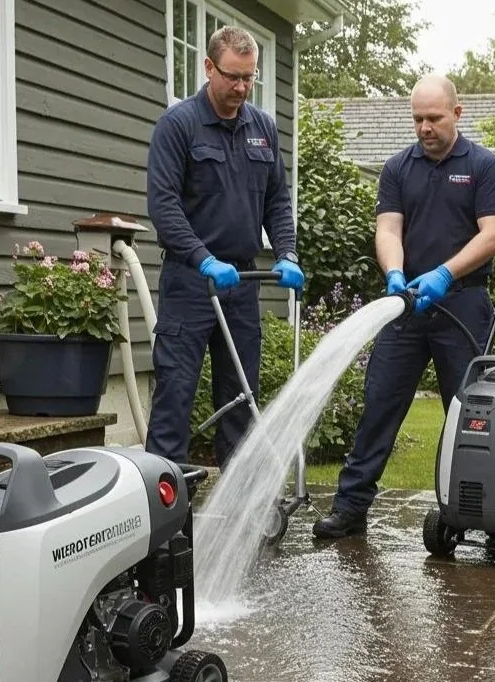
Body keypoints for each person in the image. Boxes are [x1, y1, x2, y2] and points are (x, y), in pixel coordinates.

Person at [312, 74, 495, 539]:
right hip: (407, 306)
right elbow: (388, 230)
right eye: (417, 118)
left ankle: (477, 510)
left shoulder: (483, 166)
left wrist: (445, 273)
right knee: (379, 402)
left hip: (462, 304)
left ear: (457, 114)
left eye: (434, 118)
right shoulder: (398, 167)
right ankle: (351, 507)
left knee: (470, 412)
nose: (424, 127)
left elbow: (493, 234)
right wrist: (396, 275)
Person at [145, 26, 303, 469]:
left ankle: (236, 511)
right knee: (174, 399)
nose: (241, 87)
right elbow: (164, 206)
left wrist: (287, 252)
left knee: (240, 400)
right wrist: (203, 258)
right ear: (208, 67)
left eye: (249, 78)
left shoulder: (263, 129)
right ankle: (164, 516)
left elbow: (277, 201)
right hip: (190, 282)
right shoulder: (178, 126)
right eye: (233, 76)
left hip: (242, 284)